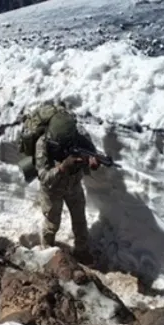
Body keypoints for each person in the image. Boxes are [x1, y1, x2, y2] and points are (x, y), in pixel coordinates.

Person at [29, 104, 100, 258]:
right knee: (52, 224)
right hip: (52, 190)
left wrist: (92, 162)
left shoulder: (79, 138)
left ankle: (82, 252)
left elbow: (91, 152)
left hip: (73, 185)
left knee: (80, 222)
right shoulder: (42, 144)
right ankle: (47, 251)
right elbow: (44, 177)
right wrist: (62, 167)